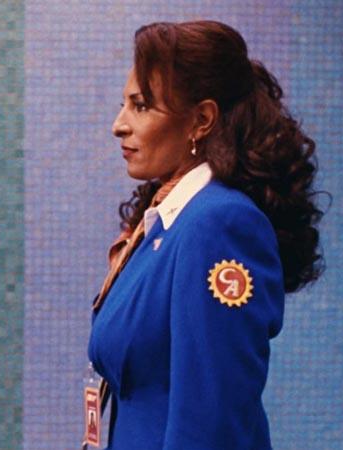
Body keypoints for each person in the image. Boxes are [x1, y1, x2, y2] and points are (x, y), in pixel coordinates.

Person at [87, 20, 324, 449]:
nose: (118, 125)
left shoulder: (218, 226)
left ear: (201, 119)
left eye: (141, 106)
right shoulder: (165, 225)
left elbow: (212, 424)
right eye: (125, 105)